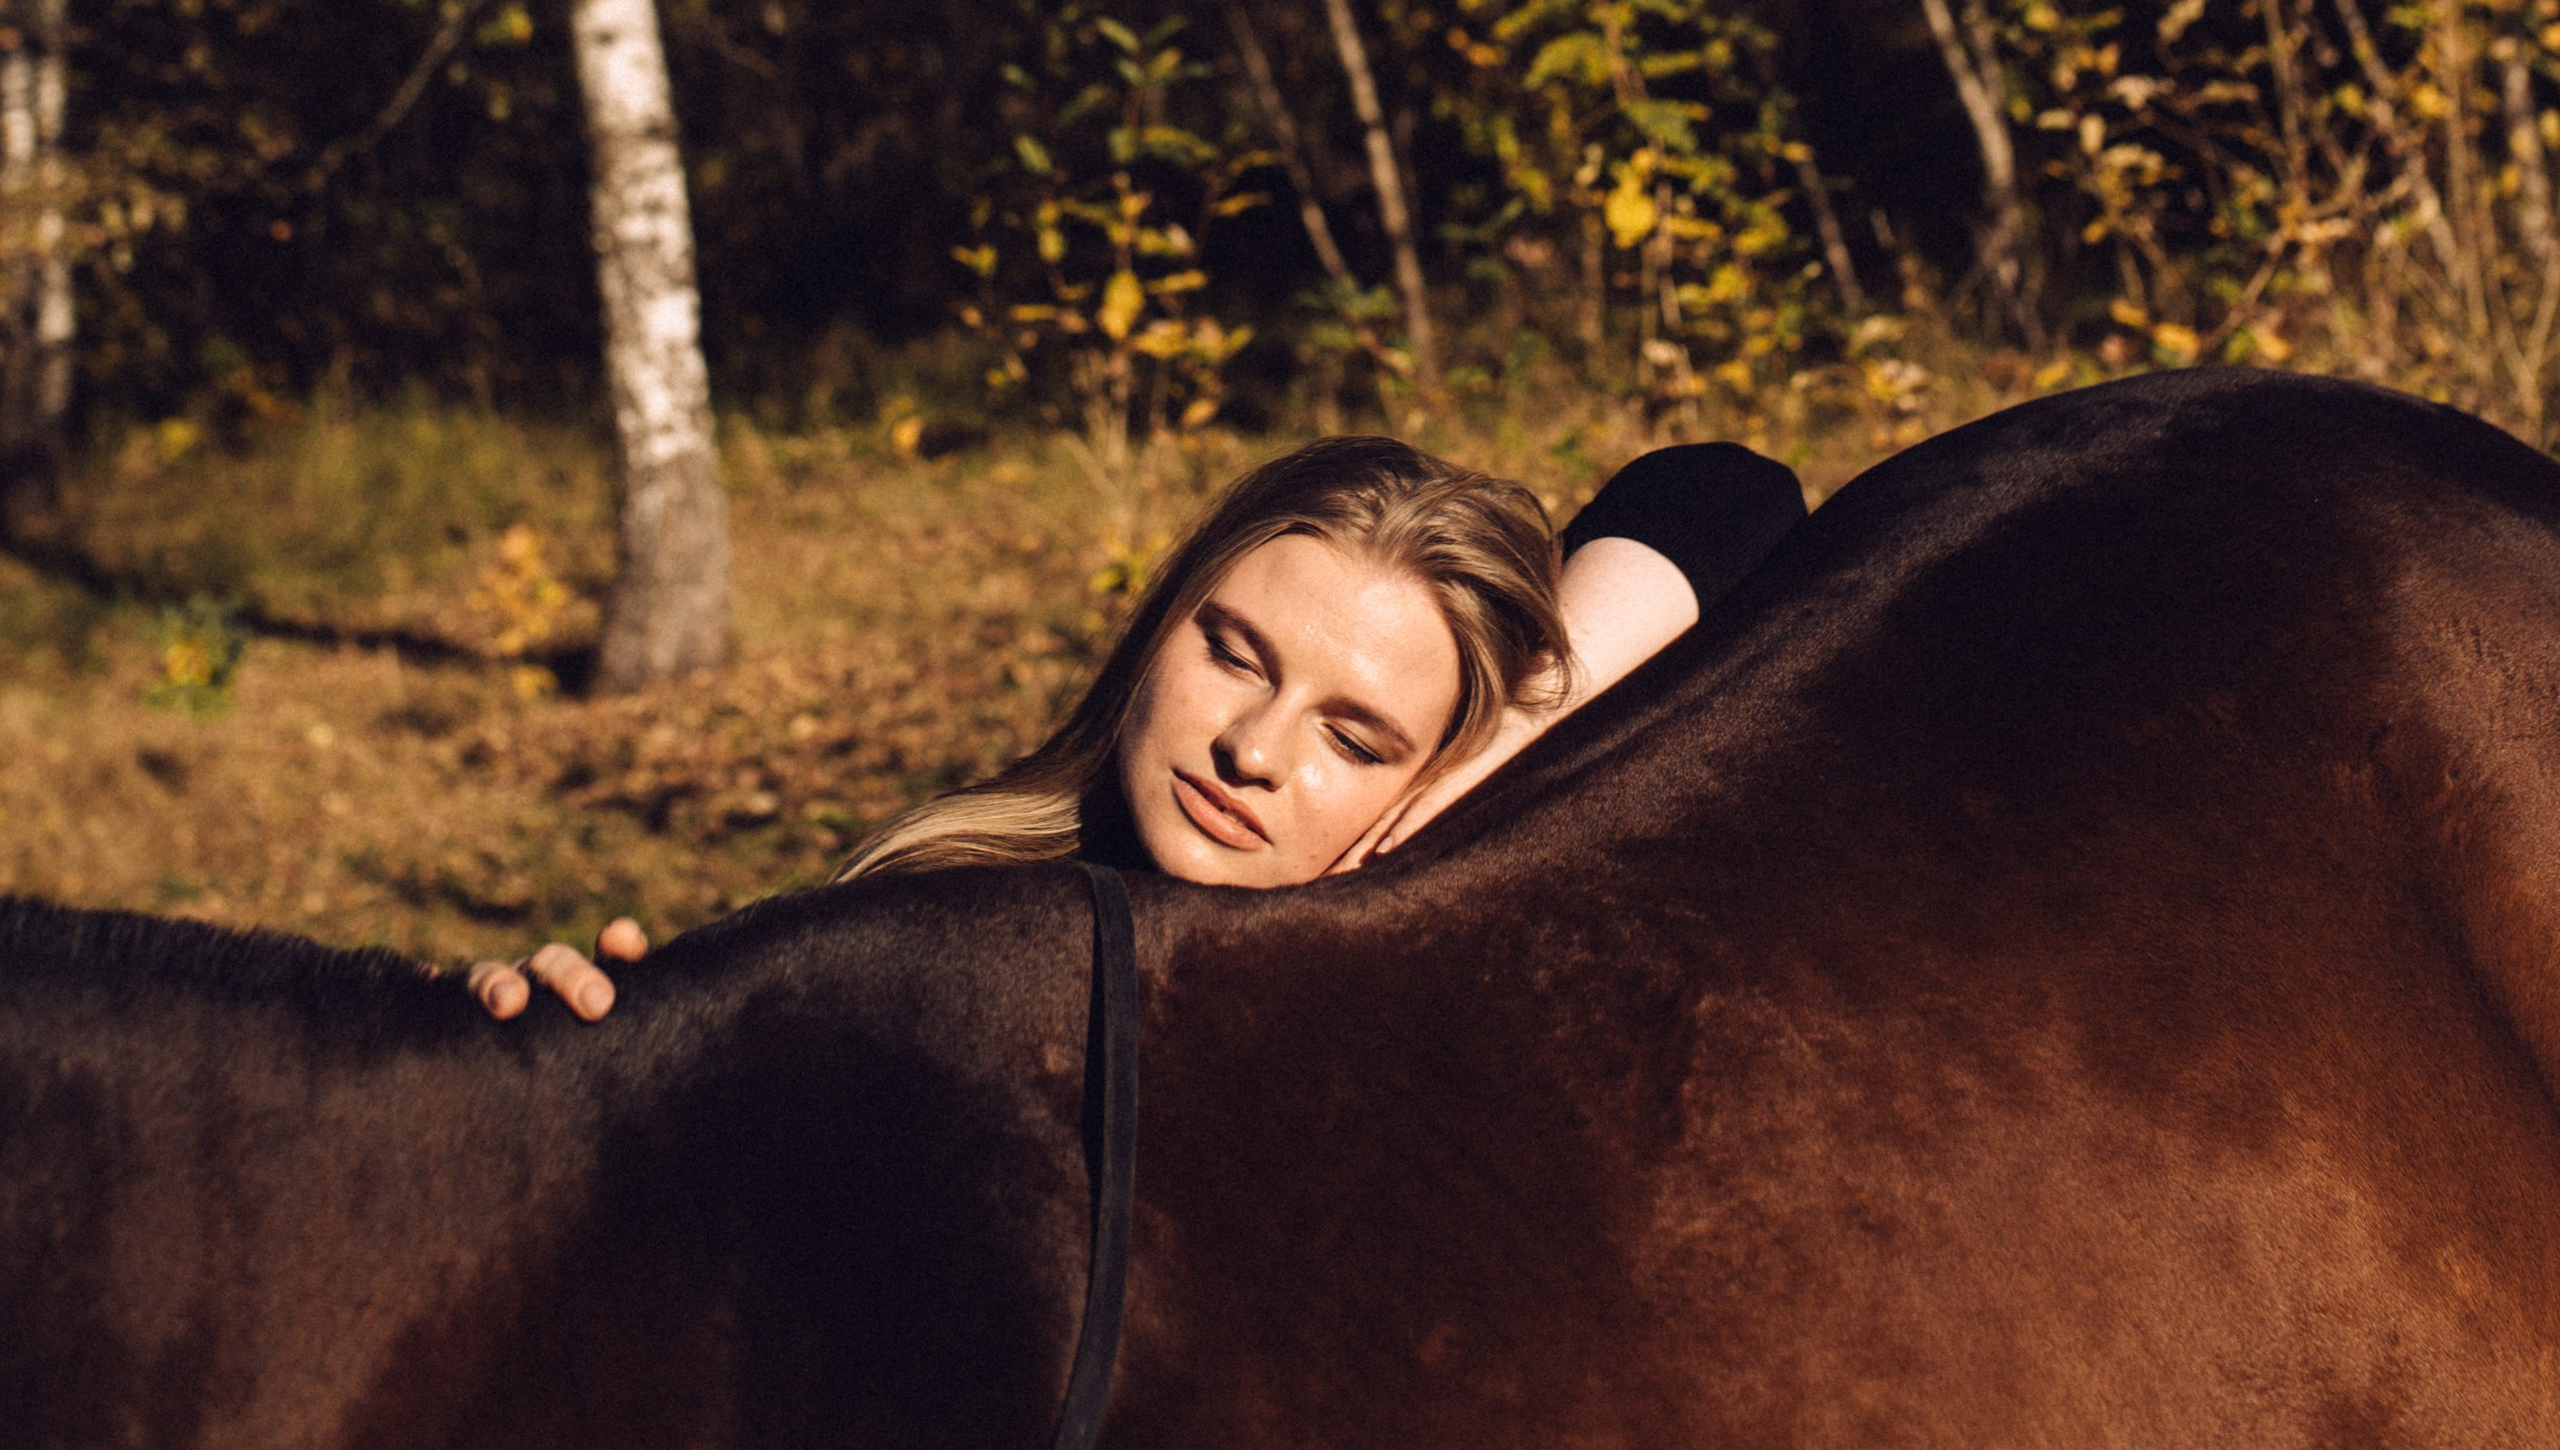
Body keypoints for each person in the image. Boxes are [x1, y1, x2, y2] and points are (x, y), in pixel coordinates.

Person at [468, 433, 1807, 1020]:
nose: (1255, 750)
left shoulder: (1418, 963)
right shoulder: (944, 892)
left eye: (1358, 739)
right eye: (1234, 654)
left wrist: (1503, 755)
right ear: (1156, 629)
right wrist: (553, 1045)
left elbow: (1729, 494)